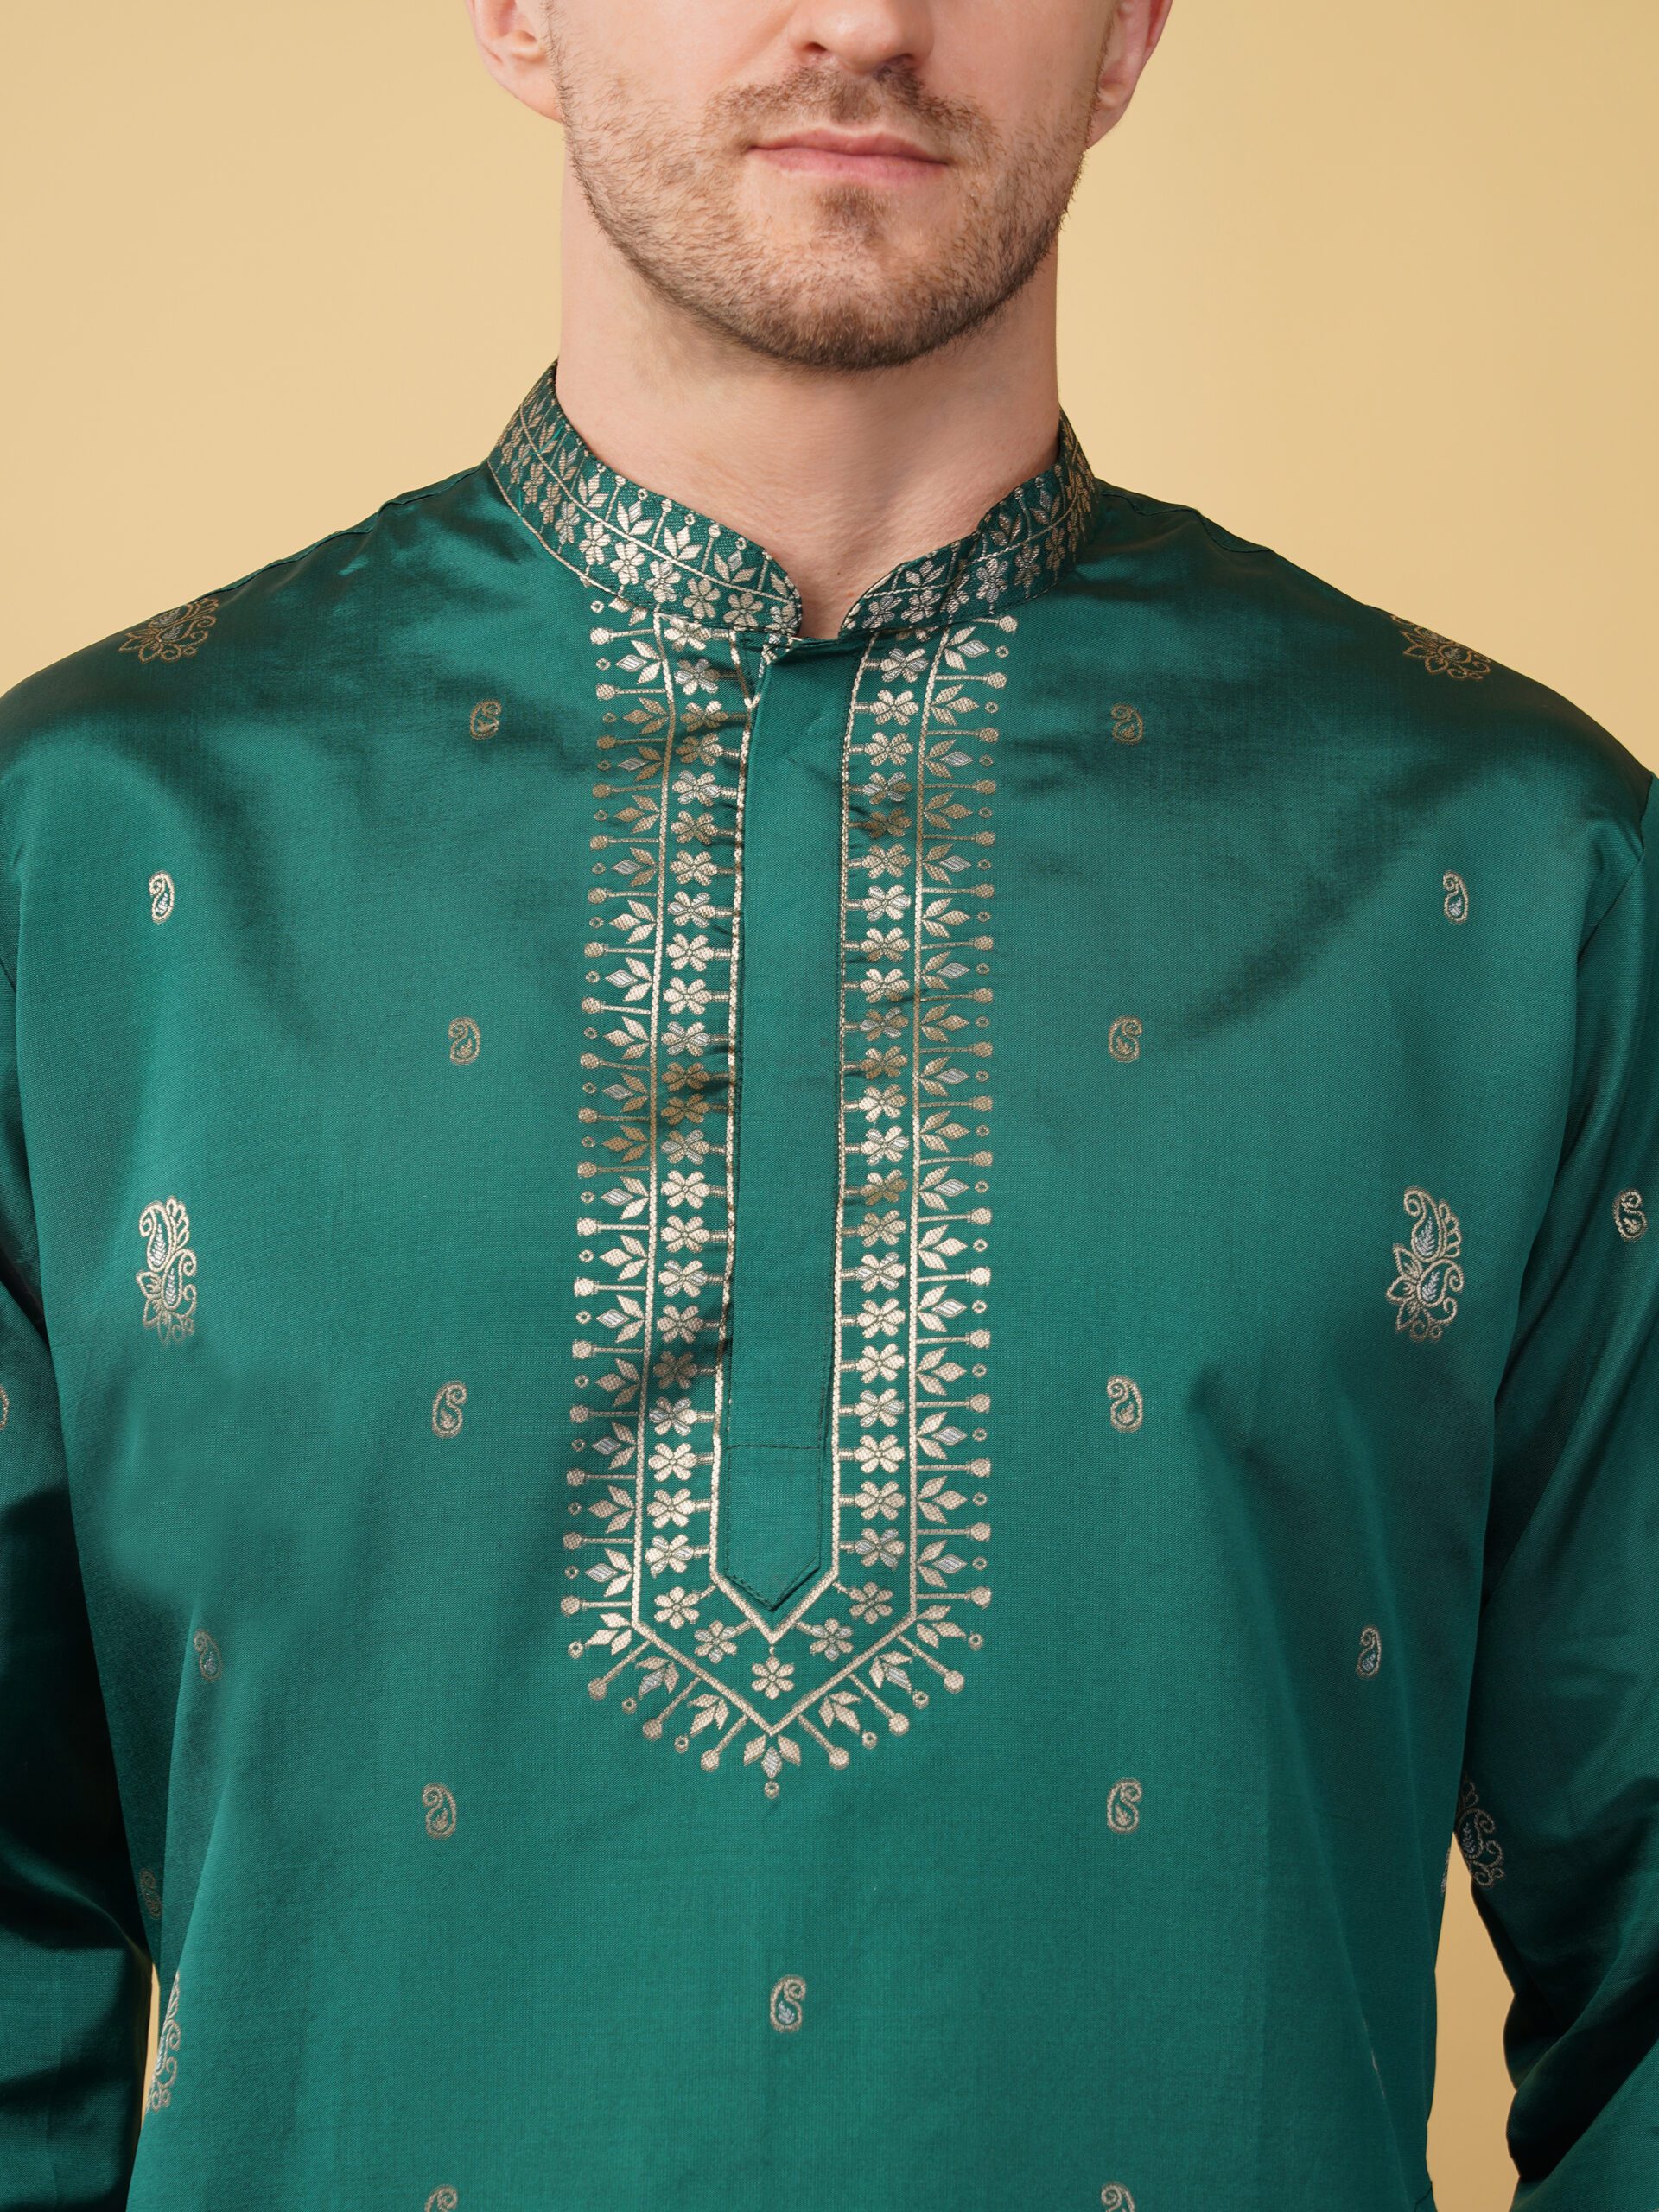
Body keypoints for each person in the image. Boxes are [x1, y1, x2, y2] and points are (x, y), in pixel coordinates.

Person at [0, 1, 1653, 2204]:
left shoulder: (1518, 880)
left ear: (1131, 29)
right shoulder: (86, 867)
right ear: (516, 9)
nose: (867, 18)